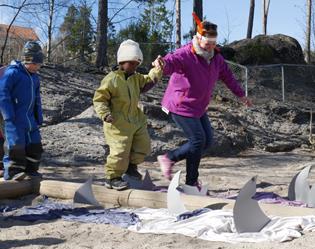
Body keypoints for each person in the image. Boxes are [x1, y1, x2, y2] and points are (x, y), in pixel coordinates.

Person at [153, 13, 252, 187]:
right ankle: (190, 181)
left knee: (206, 142)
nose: (210, 46)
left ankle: (171, 159)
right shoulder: (185, 53)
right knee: (197, 140)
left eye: (214, 43)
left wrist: (241, 95)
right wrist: (163, 64)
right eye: (208, 43)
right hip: (180, 104)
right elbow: (171, 61)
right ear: (199, 38)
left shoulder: (216, 58)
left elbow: (228, 77)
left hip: (199, 106)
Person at [93, 39, 163, 190]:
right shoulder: (111, 80)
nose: (134, 67)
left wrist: (157, 69)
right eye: (131, 63)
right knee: (119, 151)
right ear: (122, 61)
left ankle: (131, 166)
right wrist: (105, 114)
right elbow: (99, 99)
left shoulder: (136, 78)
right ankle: (113, 177)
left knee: (143, 145)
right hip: (117, 123)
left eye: (136, 64)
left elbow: (149, 81)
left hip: (135, 120)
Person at [0, 41, 44, 180]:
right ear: (28, 60)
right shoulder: (12, 73)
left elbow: (37, 98)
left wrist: (39, 117)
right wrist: (7, 115)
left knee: (35, 145)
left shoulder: (35, 77)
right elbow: (2, 93)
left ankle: (31, 170)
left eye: (39, 64)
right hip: (14, 118)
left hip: (30, 118)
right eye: (36, 64)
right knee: (16, 145)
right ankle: (13, 172)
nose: (38, 67)